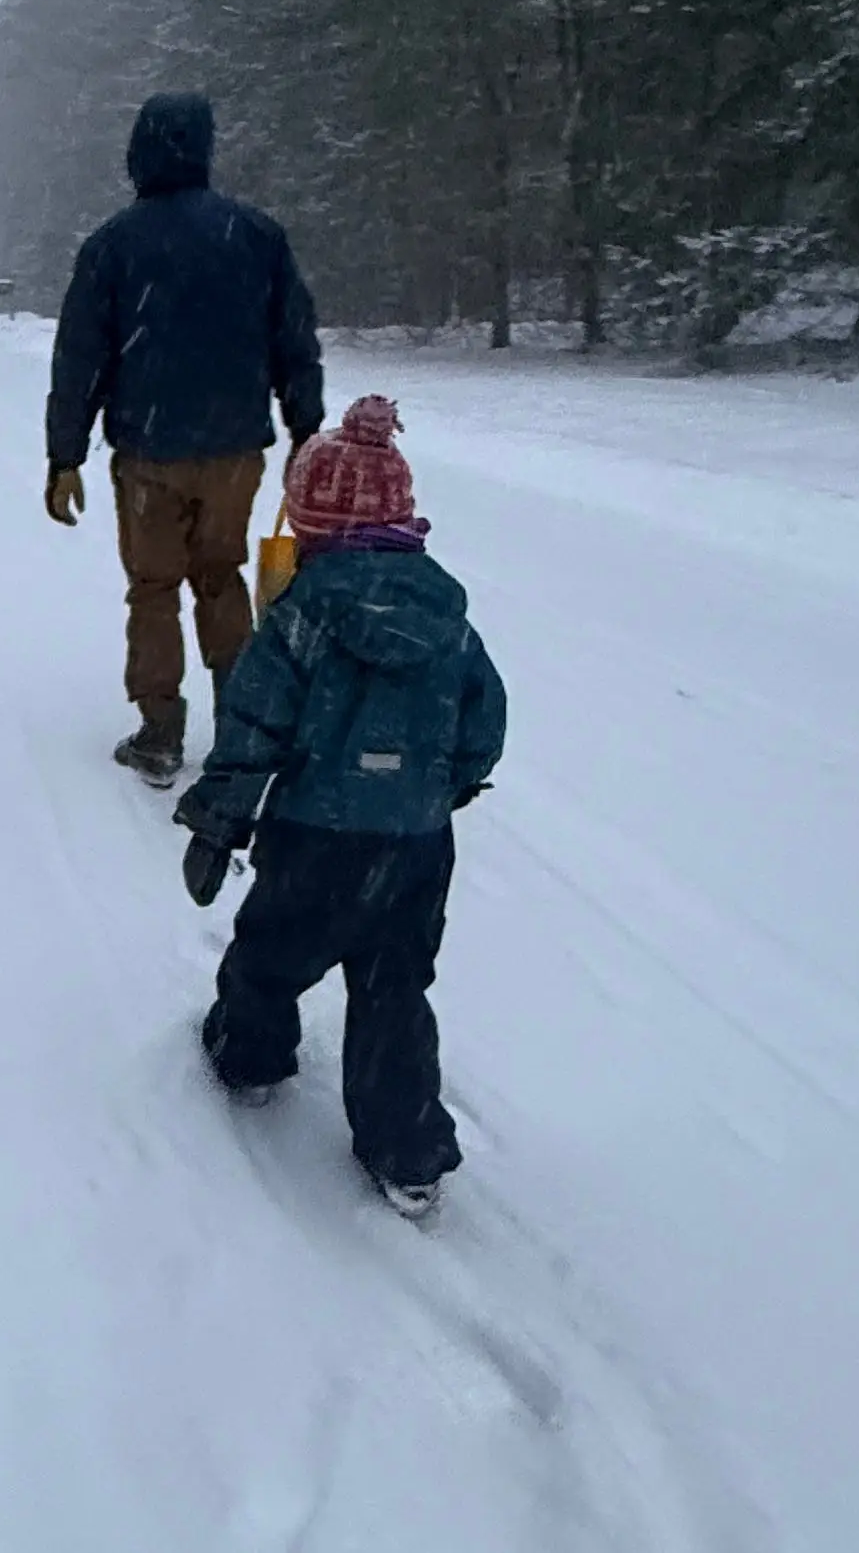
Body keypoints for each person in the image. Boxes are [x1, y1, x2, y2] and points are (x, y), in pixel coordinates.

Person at [169, 397, 506, 1221]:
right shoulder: (448, 623)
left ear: (310, 521)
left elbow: (252, 728)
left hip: (316, 838)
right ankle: (408, 1153)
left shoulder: (300, 620)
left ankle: (250, 1057)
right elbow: (484, 724)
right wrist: (441, 787)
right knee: (395, 991)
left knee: (270, 955)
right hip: (416, 846)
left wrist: (220, 819)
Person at [44, 93, 330, 787]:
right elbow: (294, 341)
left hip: (149, 451)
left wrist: (65, 456)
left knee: (153, 587)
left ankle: (160, 733)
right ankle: (238, 724)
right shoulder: (255, 235)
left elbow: (80, 357)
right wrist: (305, 430)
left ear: (138, 151)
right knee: (221, 576)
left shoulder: (114, 244)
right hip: (235, 450)